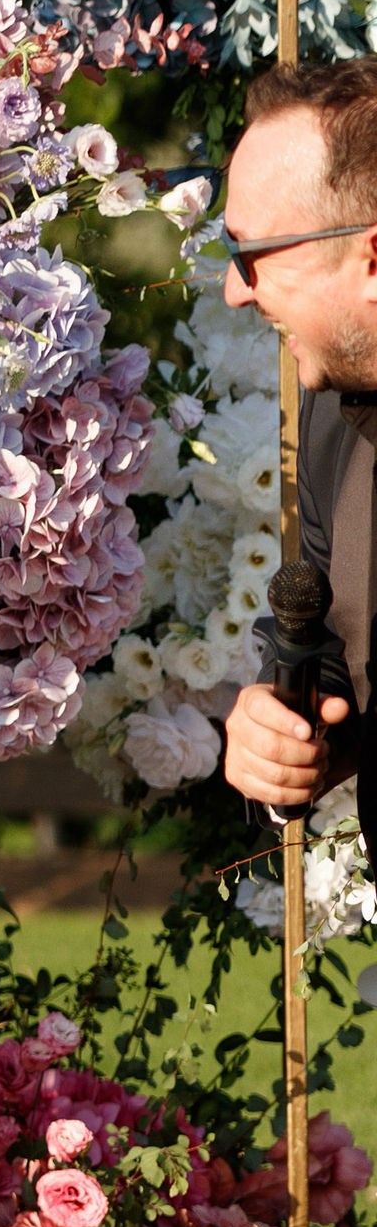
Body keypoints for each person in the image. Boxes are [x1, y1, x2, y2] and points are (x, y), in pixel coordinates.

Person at [218, 58, 377, 838]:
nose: (234, 290)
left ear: (372, 259)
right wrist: (279, 737)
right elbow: (335, 656)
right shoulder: (330, 422)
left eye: (250, 253)